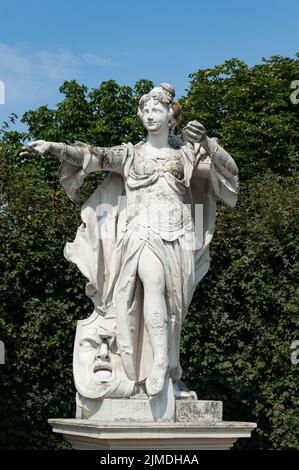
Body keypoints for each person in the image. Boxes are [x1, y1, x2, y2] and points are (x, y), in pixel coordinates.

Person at [21, 83, 239, 398]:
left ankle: (169, 373)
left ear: (171, 117)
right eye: (145, 110)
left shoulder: (185, 154)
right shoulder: (130, 154)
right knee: (153, 281)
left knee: (174, 308)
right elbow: (91, 155)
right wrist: (53, 146)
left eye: (157, 110)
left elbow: (231, 174)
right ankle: (160, 363)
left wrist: (207, 142)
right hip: (141, 232)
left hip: (179, 235)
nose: (150, 115)